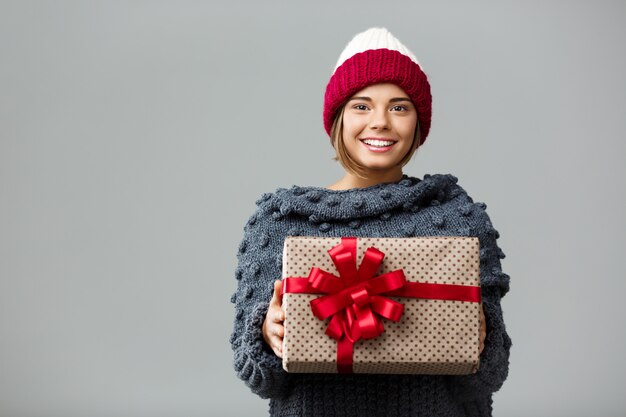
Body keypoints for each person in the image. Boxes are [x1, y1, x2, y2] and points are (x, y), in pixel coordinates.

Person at [229, 27, 512, 417]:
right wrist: (267, 335)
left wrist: (481, 341)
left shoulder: (459, 218)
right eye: (362, 106)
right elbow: (258, 376)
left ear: (418, 122)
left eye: (399, 107)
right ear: (338, 118)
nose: (380, 121)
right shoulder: (280, 220)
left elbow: (489, 375)